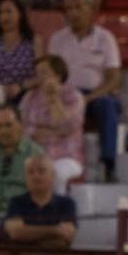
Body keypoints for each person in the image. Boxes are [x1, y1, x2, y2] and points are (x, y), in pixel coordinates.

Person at [47, 0, 121, 182]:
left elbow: (113, 79)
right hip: (65, 95)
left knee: (108, 105)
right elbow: (50, 73)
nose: (73, 13)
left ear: (92, 10)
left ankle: (109, 163)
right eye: (69, 9)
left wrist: (87, 98)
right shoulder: (57, 39)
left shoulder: (105, 38)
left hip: (94, 96)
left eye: (78, 7)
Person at [19, 54, 85, 192]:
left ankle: (56, 211)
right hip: (35, 155)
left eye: (44, 72)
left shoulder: (74, 96)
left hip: (66, 156)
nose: (39, 77)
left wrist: (54, 99)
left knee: (56, 173)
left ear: (58, 75)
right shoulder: (29, 97)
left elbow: (67, 127)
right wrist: (53, 131)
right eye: (37, 73)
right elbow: (22, 128)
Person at [2, 156, 77, 249]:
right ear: (25, 177)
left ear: (53, 175)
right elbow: (15, 233)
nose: (35, 176)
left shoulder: (66, 203)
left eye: (41, 171)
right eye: (30, 172)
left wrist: (28, 232)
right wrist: (54, 230)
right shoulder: (16, 202)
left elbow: (67, 235)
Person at [0, 0, 41, 101]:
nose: (4, 17)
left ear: (20, 13)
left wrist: (20, 86)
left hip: (27, 95)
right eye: (0, 13)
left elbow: (41, 75)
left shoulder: (34, 42)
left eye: (9, 12)